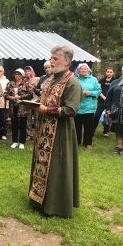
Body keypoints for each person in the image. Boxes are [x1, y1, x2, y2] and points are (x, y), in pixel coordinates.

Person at [28, 44, 82, 218]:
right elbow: (45, 99)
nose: (51, 61)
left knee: (58, 166)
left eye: (55, 59)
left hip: (60, 131)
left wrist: (46, 110)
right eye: (51, 58)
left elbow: (71, 110)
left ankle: (56, 205)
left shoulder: (72, 82)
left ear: (67, 62)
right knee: (42, 164)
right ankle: (38, 199)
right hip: (44, 129)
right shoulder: (50, 79)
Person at [74, 63, 101, 149]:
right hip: (78, 106)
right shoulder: (75, 79)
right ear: (78, 70)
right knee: (77, 126)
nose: (83, 70)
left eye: (85, 69)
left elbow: (98, 90)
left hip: (90, 107)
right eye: (81, 69)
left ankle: (88, 142)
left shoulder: (93, 79)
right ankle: (76, 142)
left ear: (88, 70)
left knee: (89, 126)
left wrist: (91, 93)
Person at [5, 68, 33, 149]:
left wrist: (20, 97)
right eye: (15, 74)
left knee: (23, 125)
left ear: (22, 75)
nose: (17, 75)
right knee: (14, 125)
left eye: (18, 74)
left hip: (23, 107)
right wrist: (11, 97)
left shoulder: (26, 84)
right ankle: (14, 141)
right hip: (13, 107)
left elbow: (30, 94)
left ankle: (22, 142)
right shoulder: (11, 83)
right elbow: (5, 94)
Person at [93, 67, 115, 136]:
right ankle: (92, 130)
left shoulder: (115, 81)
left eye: (111, 72)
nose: (109, 73)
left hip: (111, 102)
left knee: (108, 117)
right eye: (108, 72)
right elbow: (99, 90)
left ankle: (106, 131)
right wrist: (104, 98)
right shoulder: (101, 80)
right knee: (96, 115)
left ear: (113, 73)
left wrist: (109, 99)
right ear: (106, 72)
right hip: (101, 101)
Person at [24, 66, 40, 141]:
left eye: (29, 71)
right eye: (26, 71)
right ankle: (29, 134)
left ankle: (37, 134)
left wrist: (35, 85)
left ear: (32, 71)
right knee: (28, 118)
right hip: (28, 101)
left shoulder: (37, 79)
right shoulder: (24, 80)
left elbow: (41, 88)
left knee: (37, 118)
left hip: (36, 100)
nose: (27, 72)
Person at [0, 65, 10, 140]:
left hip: (3, 102)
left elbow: (8, 91)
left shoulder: (6, 81)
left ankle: (3, 133)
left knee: (3, 119)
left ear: (3, 72)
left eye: (0, 71)